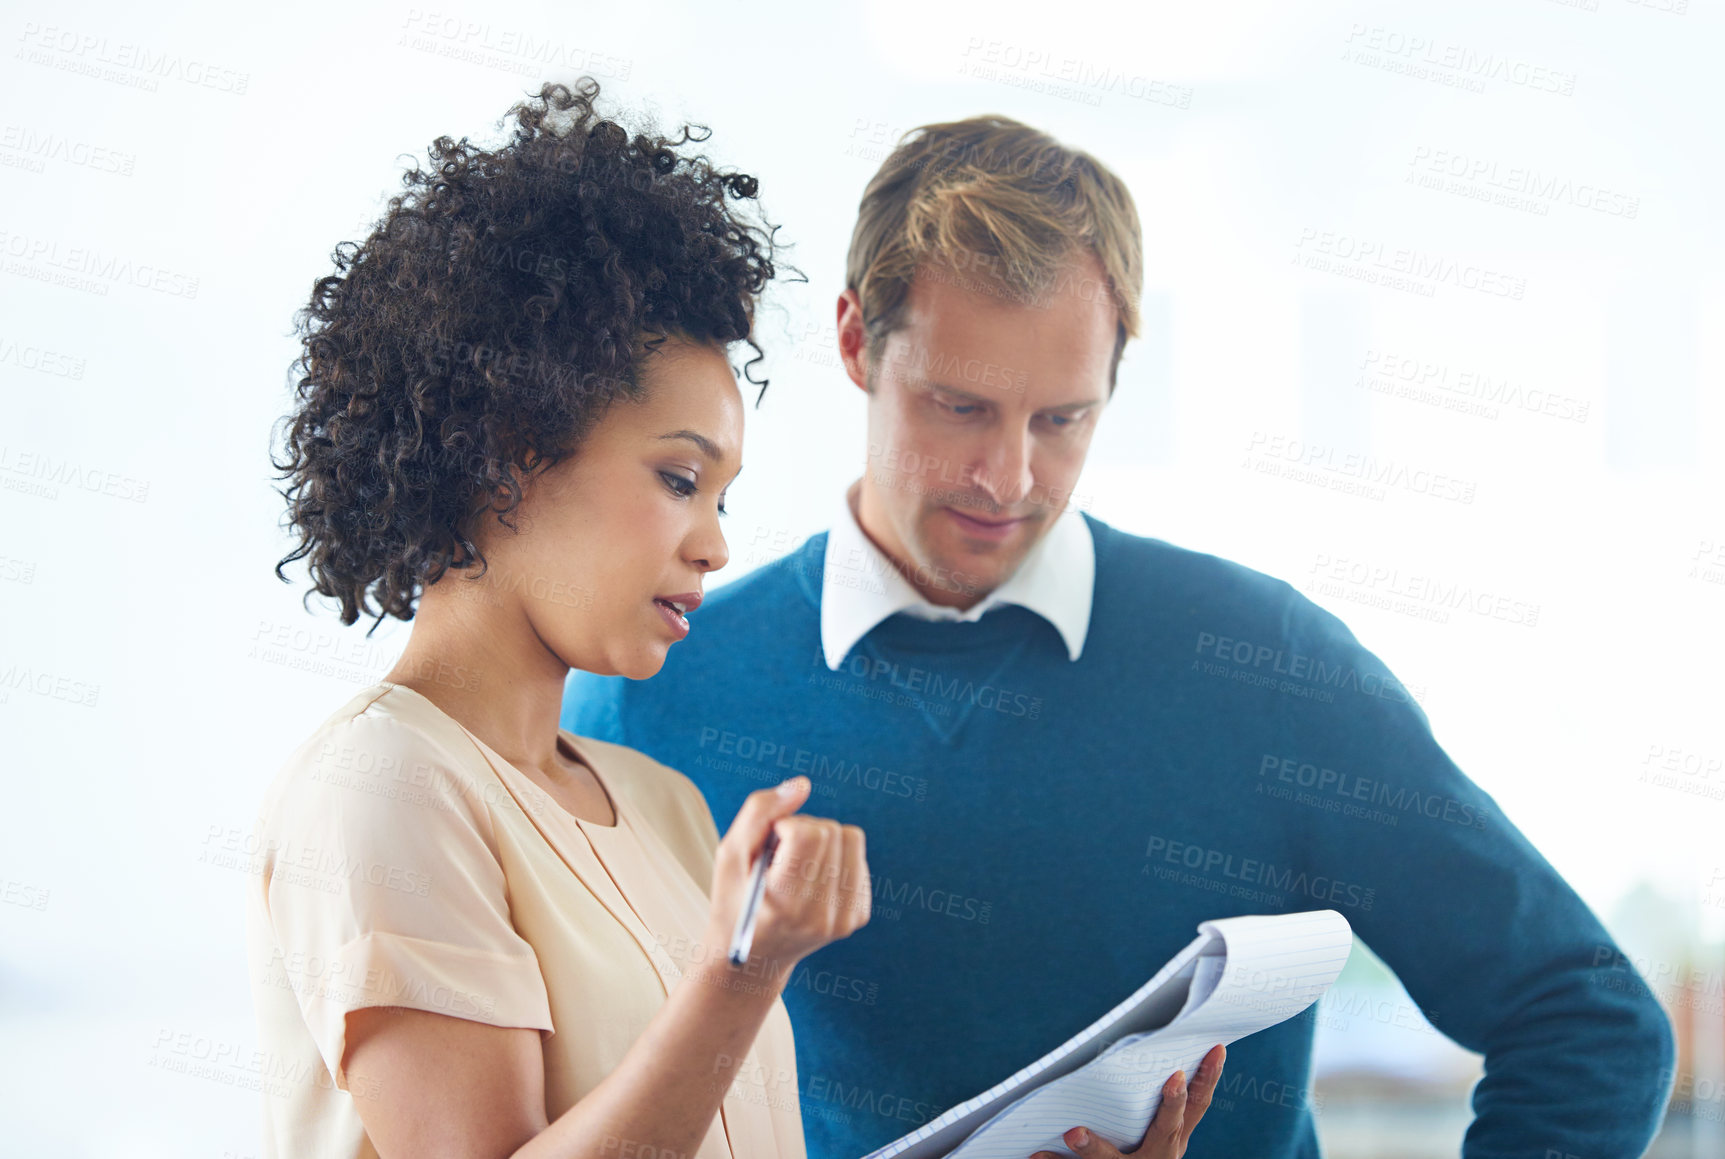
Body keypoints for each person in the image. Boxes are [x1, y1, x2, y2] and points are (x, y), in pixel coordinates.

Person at [563, 113, 1679, 1158]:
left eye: (1063, 419)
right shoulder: (651, 685)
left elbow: (1588, 1022)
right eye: (960, 406)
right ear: (858, 340)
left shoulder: (1267, 669)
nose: (1008, 478)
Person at [252, 78, 1221, 1159]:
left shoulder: (659, 807)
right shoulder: (383, 787)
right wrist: (742, 974)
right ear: (510, 449)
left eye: (724, 497)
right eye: (678, 478)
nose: (715, 543)